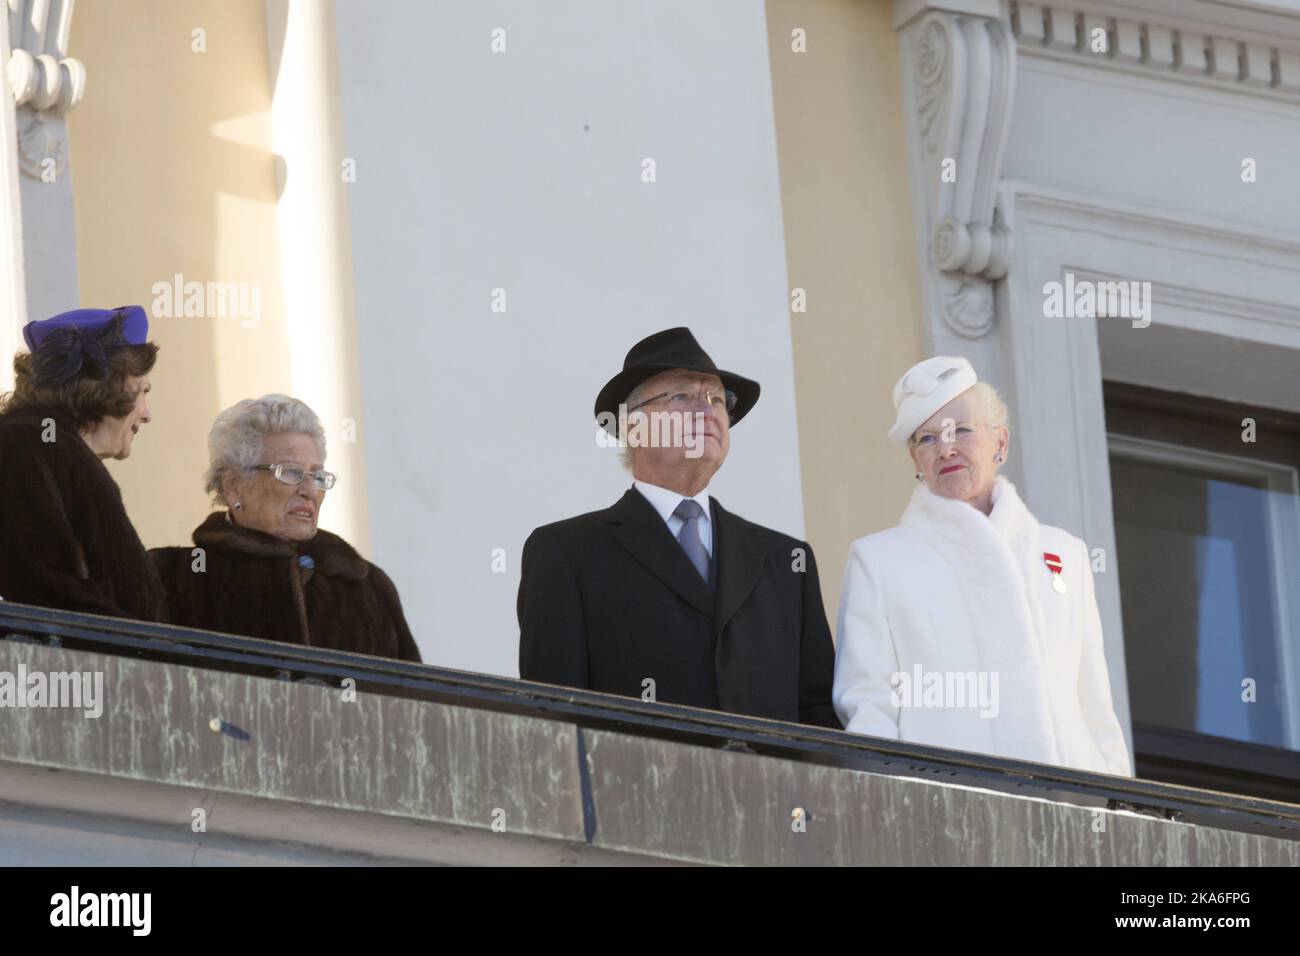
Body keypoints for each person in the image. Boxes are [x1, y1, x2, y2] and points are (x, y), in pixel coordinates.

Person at [518, 327, 839, 727]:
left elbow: (819, 716)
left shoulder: (787, 561)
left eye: (717, 399)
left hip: (772, 790)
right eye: (681, 396)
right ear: (632, 428)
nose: (707, 411)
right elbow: (553, 720)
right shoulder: (566, 553)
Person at [833, 356, 1132, 775]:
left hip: (1073, 813)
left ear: (1001, 444)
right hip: (947, 810)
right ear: (915, 461)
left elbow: (1097, 708)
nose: (946, 448)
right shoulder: (880, 560)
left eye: (962, 431)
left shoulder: (1066, 554)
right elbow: (867, 705)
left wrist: (1119, 810)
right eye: (927, 439)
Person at [150, 394, 421, 661]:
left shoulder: (367, 586)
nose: (310, 491)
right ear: (234, 485)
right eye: (291, 472)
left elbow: (413, 700)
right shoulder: (173, 577)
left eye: (317, 476)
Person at [0, 306, 166, 621]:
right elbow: (43, 585)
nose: (146, 414)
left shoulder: (54, 449)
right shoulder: (25, 443)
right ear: (104, 386)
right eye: (141, 391)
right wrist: (131, 650)